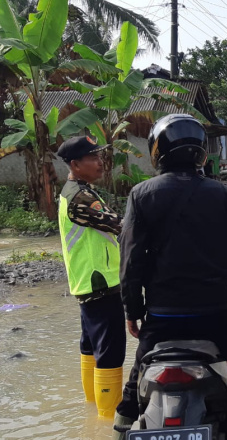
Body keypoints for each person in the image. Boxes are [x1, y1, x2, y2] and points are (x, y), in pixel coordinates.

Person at [112, 114, 227, 440]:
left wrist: (133, 312)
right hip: (216, 312)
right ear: (201, 151)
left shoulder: (141, 194)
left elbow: (131, 261)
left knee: (133, 387)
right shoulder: (221, 194)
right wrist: (219, 276)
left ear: (157, 152)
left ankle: (120, 432)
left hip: (163, 314)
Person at [56, 136, 126, 418]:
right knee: (110, 354)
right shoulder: (82, 198)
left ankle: (91, 413)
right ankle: (109, 421)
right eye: (94, 158)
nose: (101, 163)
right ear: (75, 164)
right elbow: (121, 226)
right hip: (101, 283)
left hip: (86, 283)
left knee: (90, 348)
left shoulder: (72, 190)